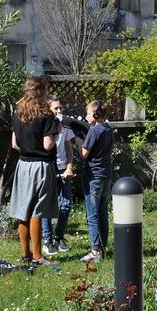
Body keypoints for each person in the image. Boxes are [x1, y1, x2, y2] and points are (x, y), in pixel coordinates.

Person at [10, 77, 59, 266]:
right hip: (41, 166)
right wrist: (57, 134)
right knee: (37, 212)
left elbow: (15, 144)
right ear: (42, 91)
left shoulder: (18, 113)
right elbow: (48, 145)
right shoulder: (47, 115)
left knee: (23, 210)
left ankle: (25, 255)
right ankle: (38, 257)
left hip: (23, 165)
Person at [80, 100, 114, 263]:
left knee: (92, 215)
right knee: (102, 212)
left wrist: (80, 141)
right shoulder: (108, 128)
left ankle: (95, 251)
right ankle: (103, 247)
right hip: (106, 174)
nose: (86, 115)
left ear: (96, 114)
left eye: (88, 113)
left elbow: (84, 154)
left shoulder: (94, 130)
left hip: (93, 175)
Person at [42, 95, 75, 256]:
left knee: (66, 205)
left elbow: (68, 147)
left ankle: (59, 237)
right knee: (47, 206)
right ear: (48, 110)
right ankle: (47, 240)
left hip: (63, 169)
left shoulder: (65, 125)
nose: (59, 111)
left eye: (60, 108)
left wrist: (69, 166)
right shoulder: (45, 125)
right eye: (56, 108)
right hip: (49, 168)